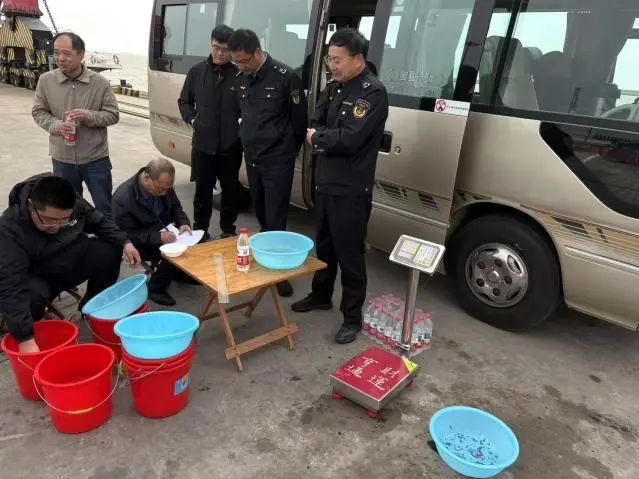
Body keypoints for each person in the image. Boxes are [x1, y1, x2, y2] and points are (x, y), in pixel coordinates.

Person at [291, 29, 389, 344]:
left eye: (338, 60)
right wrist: (322, 135)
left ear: (358, 59)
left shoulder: (372, 93)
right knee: (325, 246)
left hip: (351, 190)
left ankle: (352, 317)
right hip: (326, 183)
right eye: (329, 60)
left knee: (350, 254)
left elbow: (350, 138)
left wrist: (319, 138)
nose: (332, 66)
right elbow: (316, 122)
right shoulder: (333, 88)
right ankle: (321, 295)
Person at [0, 174, 141, 353]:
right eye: (48, 220)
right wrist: (24, 338)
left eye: (64, 220)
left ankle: (91, 308)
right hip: (41, 275)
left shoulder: (73, 201)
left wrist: (125, 242)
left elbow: (98, 221)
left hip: (71, 260)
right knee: (30, 295)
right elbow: (11, 283)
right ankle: (30, 331)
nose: (56, 226)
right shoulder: (9, 228)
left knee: (110, 250)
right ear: (30, 205)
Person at [228, 29, 308, 297]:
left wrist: (287, 151)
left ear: (258, 52)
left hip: (277, 160)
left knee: (276, 217)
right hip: (253, 158)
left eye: (244, 61)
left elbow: (299, 122)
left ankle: (279, 272)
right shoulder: (241, 78)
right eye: (237, 62)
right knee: (261, 211)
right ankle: (266, 256)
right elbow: (244, 114)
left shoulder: (286, 77)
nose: (240, 66)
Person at [32, 32, 119, 217]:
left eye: (66, 54)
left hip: (95, 158)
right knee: (67, 209)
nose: (60, 58)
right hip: (62, 159)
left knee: (104, 208)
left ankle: (108, 235)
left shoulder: (100, 83)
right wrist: (56, 125)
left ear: (81, 55)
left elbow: (113, 115)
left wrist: (88, 116)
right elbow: (38, 111)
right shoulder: (46, 81)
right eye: (56, 53)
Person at [178, 24, 243, 242]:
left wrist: (240, 128)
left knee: (230, 190)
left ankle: (228, 229)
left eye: (225, 49)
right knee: (203, 190)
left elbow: (248, 107)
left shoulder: (240, 75)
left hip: (231, 146)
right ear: (211, 45)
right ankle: (200, 230)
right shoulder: (197, 72)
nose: (220, 53)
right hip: (203, 144)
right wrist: (192, 118)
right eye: (216, 47)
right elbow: (184, 101)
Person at [112, 158, 195, 306]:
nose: (164, 193)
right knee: (172, 252)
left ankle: (179, 273)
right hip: (140, 243)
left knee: (197, 241)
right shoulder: (123, 198)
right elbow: (126, 235)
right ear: (146, 178)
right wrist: (158, 237)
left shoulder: (164, 185)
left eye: (167, 189)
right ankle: (155, 288)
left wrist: (183, 224)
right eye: (160, 189)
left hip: (166, 231)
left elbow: (176, 208)